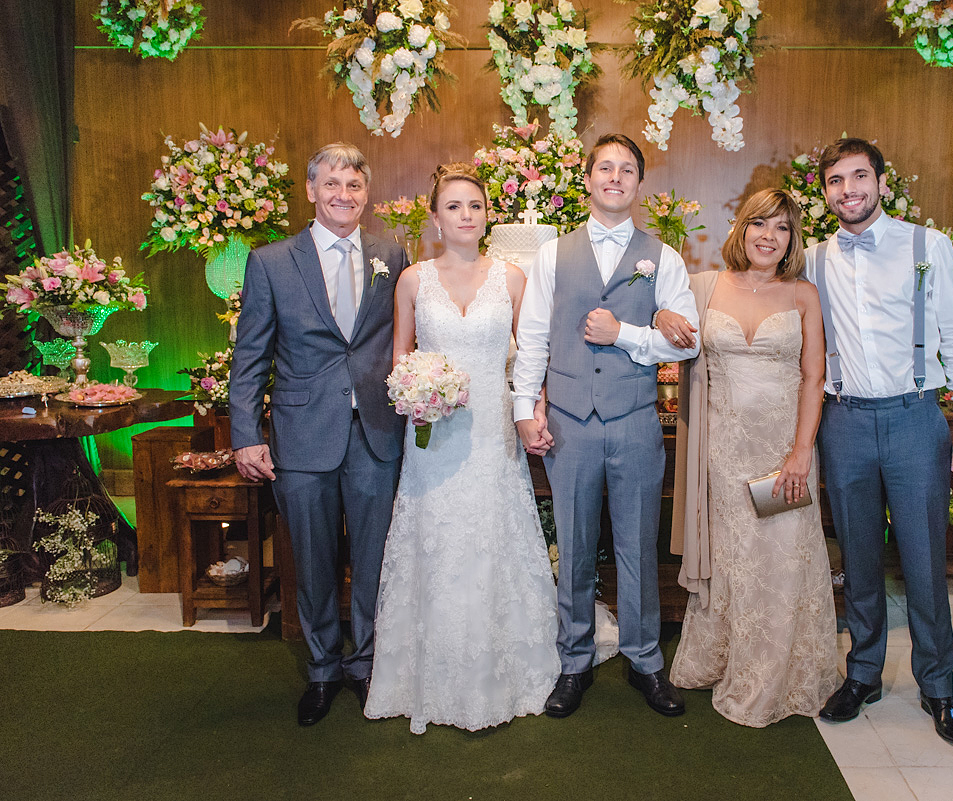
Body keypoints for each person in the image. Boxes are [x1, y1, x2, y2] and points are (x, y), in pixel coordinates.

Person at [364, 164, 559, 734]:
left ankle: (508, 665)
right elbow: (400, 357)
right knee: (437, 537)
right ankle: (427, 670)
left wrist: (535, 409)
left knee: (494, 533)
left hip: (494, 428)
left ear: (486, 214)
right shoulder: (412, 281)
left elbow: (531, 358)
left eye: (474, 205)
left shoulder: (513, 278)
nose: (466, 215)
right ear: (435, 217)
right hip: (433, 432)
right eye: (453, 206)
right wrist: (416, 394)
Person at [512, 133, 700, 718]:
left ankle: (646, 660)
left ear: (639, 184)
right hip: (568, 420)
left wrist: (627, 335)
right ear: (588, 179)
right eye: (605, 168)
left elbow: (687, 340)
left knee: (638, 543)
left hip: (636, 420)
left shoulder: (663, 257)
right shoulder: (552, 254)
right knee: (572, 545)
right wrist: (524, 409)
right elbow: (535, 337)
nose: (615, 177)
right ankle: (574, 660)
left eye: (627, 170)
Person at [806, 138, 953, 747]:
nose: (848, 189)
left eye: (859, 177)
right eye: (836, 180)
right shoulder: (811, 259)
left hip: (915, 418)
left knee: (924, 561)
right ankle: (863, 674)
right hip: (845, 422)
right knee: (857, 556)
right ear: (825, 190)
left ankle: (938, 686)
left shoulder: (926, 246)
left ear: (881, 183)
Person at [229, 142, 407, 726]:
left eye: (354, 185)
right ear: (310, 191)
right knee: (313, 558)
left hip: (377, 430)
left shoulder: (391, 254)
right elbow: (250, 356)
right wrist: (246, 434)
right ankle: (323, 670)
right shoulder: (272, 261)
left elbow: (401, 339)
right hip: (302, 433)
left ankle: (366, 664)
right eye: (332, 184)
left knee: (374, 555)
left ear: (366, 193)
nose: (343, 195)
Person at [663, 189, 840, 727]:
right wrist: (662, 314)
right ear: (742, 228)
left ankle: (775, 674)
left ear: (792, 240)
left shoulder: (803, 294)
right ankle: (728, 657)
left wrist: (801, 453)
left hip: (782, 452)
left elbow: (815, 378)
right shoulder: (705, 286)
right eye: (761, 223)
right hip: (721, 453)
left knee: (782, 561)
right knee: (735, 561)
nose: (770, 236)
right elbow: (665, 326)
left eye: (783, 228)